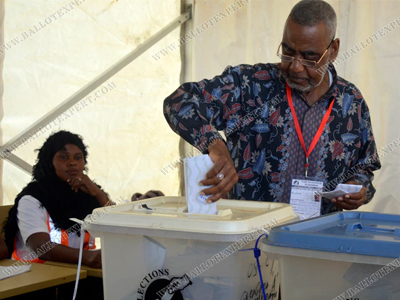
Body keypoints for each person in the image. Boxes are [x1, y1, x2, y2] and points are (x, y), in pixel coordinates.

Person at [163, 0, 381, 215]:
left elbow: (365, 167)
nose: (295, 66)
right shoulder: (249, 84)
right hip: (251, 241)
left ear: (332, 50)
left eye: (309, 57)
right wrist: (215, 144)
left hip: (318, 241)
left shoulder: (351, 102)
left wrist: (358, 189)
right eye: (288, 51)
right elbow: (179, 101)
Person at [3, 130, 108, 268]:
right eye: (63, 158)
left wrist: (98, 193)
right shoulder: (32, 198)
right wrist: (87, 257)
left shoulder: (88, 193)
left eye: (78, 158)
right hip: (37, 277)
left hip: (79, 272)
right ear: (49, 162)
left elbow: (120, 226)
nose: (72, 163)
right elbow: (41, 247)